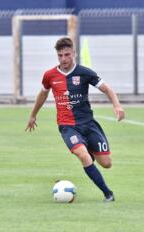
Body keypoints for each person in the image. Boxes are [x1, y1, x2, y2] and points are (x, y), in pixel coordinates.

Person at [25, 37, 125, 202]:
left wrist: (117, 106)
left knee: (107, 163)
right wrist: (33, 114)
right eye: (60, 55)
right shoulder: (50, 75)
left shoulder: (85, 73)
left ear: (74, 54)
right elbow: (43, 94)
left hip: (89, 124)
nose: (63, 59)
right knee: (83, 156)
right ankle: (108, 194)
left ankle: (87, 149)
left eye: (67, 55)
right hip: (68, 126)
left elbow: (107, 89)